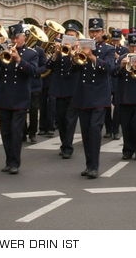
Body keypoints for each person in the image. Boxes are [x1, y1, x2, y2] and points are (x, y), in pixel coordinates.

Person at [71, 18, 115, 179]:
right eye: (92, 31)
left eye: (97, 31)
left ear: (102, 32)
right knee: (85, 133)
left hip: (99, 97)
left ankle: (94, 166)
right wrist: (73, 53)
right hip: (83, 96)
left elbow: (110, 68)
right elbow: (73, 69)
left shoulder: (107, 49)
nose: (94, 34)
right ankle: (89, 164)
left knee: (95, 131)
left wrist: (93, 57)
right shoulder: (82, 47)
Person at [0, 23, 38, 175]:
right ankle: (8, 160)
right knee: (5, 132)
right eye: (12, 37)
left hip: (20, 98)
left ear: (23, 38)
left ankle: (15, 162)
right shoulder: (4, 50)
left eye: (17, 38)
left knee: (16, 132)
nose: (14, 40)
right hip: (4, 96)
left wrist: (19, 60)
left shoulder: (31, 54)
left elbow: (33, 72)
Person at [48, 23, 81, 159]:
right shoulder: (60, 50)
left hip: (73, 90)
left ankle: (68, 146)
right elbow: (48, 66)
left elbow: (79, 68)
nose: (69, 38)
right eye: (67, 35)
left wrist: (74, 53)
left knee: (70, 119)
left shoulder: (80, 52)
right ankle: (64, 143)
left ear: (77, 38)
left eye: (72, 36)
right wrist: (55, 54)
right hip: (59, 89)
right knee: (60, 119)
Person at [105, 29, 127, 140]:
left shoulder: (124, 50)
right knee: (106, 107)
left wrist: (118, 57)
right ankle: (108, 129)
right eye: (113, 40)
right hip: (108, 79)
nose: (115, 42)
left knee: (118, 107)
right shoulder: (107, 48)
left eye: (117, 40)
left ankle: (116, 130)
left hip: (118, 81)